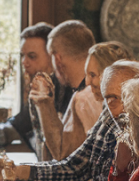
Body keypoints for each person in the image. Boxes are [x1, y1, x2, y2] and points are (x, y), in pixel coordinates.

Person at [0, 55, 139, 181]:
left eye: (127, 97)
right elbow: (75, 167)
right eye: (110, 100)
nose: (122, 107)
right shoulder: (109, 117)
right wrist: (14, 171)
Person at [0, 23, 75, 153]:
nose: (24, 62)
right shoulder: (38, 90)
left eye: (32, 56)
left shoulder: (70, 90)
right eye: (22, 56)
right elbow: (18, 125)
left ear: (52, 56)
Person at [29, 20, 97, 162]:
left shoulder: (84, 97)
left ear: (57, 58)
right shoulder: (99, 88)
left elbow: (62, 154)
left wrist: (43, 104)